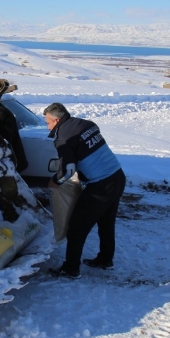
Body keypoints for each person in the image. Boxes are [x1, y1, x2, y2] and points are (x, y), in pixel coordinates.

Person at [43, 103, 125, 279]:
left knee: (76, 228)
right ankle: (105, 259)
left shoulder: (63, 137)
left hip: (101, 186)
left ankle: (70, 269)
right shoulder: (86, 124)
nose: (48, 127)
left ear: (57, 120)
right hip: (117, 176)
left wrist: (55, 182)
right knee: (106, 223)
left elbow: (68, 170)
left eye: (48, 123)